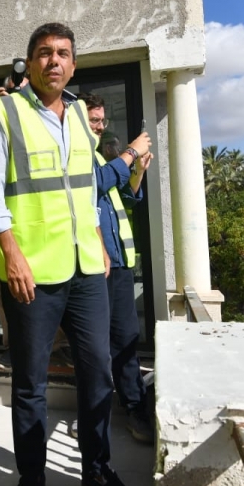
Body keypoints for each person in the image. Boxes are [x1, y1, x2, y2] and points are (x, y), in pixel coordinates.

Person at [0, 22, 145, 486]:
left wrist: (95, 237)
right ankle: (32, 479)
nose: (54, 61)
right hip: (33, 271)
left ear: (73, 64)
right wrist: (11, 254)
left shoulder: (75, 116)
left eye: (63, 53)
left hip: (86, 269)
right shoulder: (3, 112)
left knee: (98, 372)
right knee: (30, 384)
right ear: (29, 63)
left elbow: (83, 186)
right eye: (44, 53)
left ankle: (97, 469)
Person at [77, 92, 155, 443]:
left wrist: (136, 172)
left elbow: (124, 198)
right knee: (95, 346)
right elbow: (97, 183)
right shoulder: (78, 156)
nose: (99, 127)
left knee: (125, 339)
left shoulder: (101, 157)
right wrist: (132, 152)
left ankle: (135, 408)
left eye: (101, 121)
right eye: (93, 121)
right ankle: (94, 412)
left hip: (119, 265)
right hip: (92, 266)